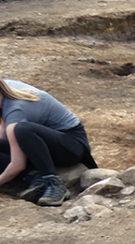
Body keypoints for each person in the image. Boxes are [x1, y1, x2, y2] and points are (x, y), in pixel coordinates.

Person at [0, 79, 98, 207]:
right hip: (38, 143)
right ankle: (34, 176)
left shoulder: (16, 111)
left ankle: (54, 183)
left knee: (23, 130)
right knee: (21, 132)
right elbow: (4, 133)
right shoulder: (6, 88)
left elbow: (17, 165)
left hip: (70, 146)